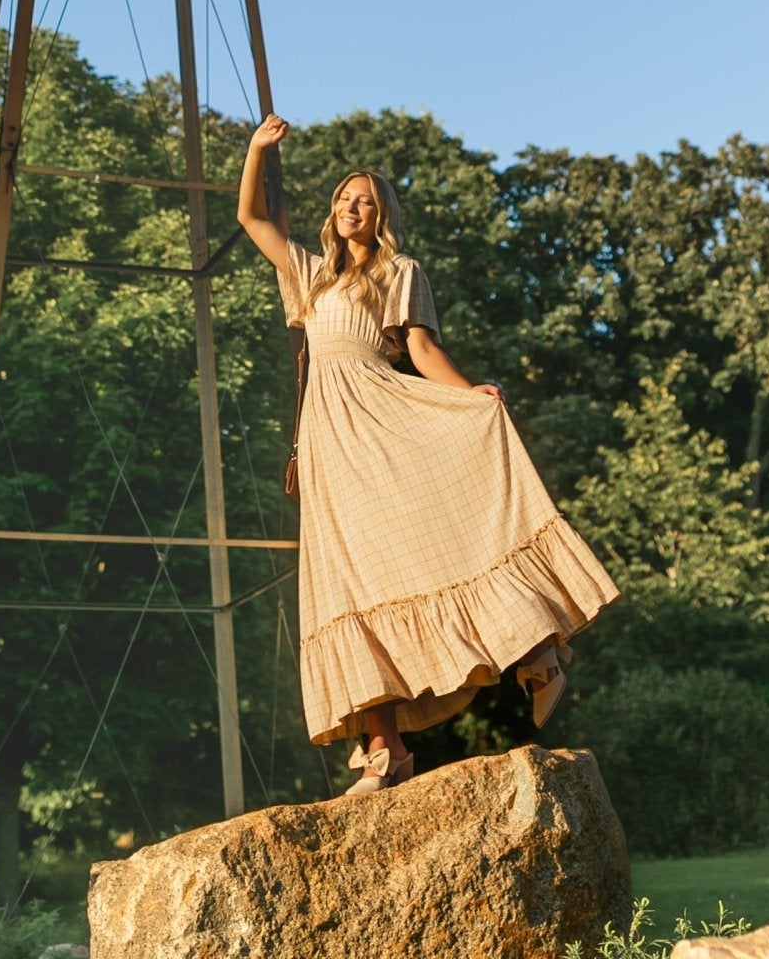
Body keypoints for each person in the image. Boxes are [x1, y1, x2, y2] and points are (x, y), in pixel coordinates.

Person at [237, 113, 619, 796]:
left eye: (364, 202)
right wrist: (255, 151)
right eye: (343, 199)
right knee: (346, 586)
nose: (351, 209)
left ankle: (537, 652)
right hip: (327, 444)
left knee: (430, 543)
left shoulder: (399, 271)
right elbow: (251, 218)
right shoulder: (310, 276)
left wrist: (470, 395)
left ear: (381, 215)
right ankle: (385, 749)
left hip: (380, 415)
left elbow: (419, 349)